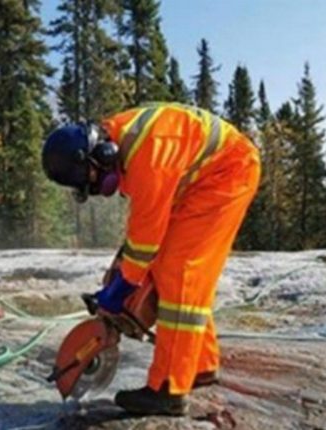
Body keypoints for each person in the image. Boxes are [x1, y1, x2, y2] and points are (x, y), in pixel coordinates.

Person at [42, 102, 260, 416]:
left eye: (94, 178)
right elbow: (144, 232)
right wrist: (121, 273)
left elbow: (145, 240)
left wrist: (120, 290)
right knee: (170, 269)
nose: (100, 188)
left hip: (227, 173)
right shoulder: (124, 142)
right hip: (200, 180)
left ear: (100, 154)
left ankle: (168, 389)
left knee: (180, 270)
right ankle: (199, 363)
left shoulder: (148, 153)